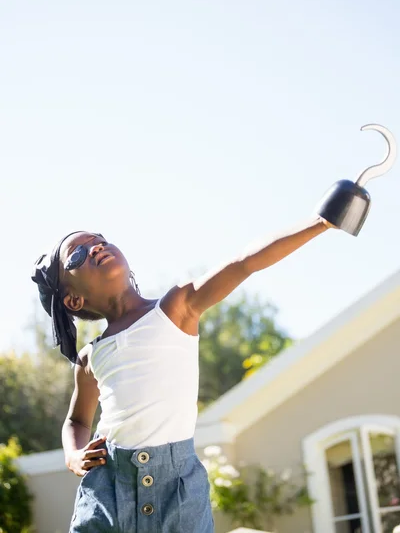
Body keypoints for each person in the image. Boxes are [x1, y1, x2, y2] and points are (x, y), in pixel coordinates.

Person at [31, 216, 334, 532]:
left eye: (99, 239)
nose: (96, 248)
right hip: (107, 488)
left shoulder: (176, 307)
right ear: (73, 300)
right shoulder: (90, 356)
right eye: (78, 254)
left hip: (176, 488)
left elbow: (245, 262)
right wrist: (74, 455)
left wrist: (320, 223)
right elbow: (76, 421)